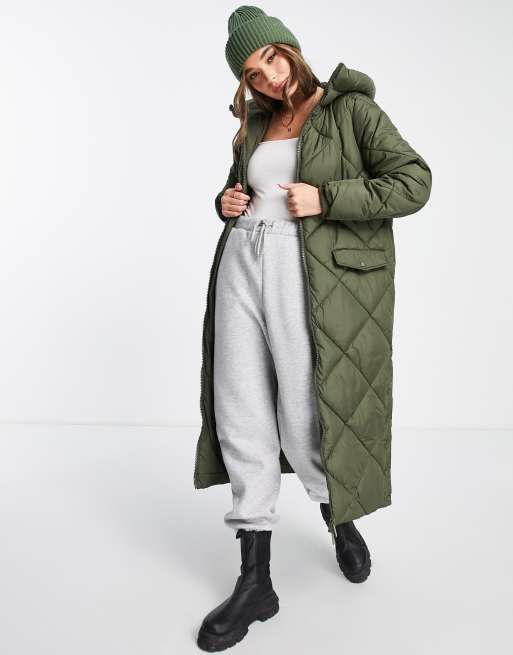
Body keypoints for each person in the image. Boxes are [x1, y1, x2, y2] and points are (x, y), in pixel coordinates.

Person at [195, 5, 432, 651]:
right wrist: (225, 201)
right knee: (240, 408)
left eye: (270, 58)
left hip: (305, 272)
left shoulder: (351, 110)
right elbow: (244, 190)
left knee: (305, 415)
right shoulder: (255, 124)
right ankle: (255, 581)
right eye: (252, 72)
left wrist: (327, 198)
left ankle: (338, 516)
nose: (267, 76)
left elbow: (413, 182)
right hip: (242, 262)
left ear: (290, 49)